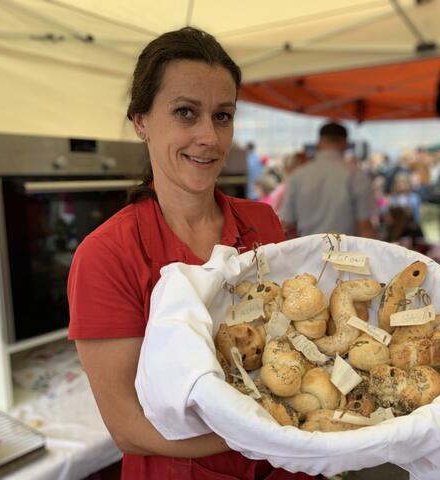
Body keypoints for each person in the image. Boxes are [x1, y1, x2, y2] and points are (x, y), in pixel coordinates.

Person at [67, 27, 314, 480]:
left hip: (290, 465)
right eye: (186, 112)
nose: (209, 137)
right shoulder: (106, 256)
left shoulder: (262, 222)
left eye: (222, 116)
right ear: (140, 120)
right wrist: (270, 429)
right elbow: (129, 427)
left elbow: (292, 342)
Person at [280, 122, 376, 238]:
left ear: (319, 143)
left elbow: (287, 222)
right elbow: (364, 226)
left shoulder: (298, 176)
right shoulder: (357, 175)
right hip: (344, 248)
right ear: (345, 144)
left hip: (307, 247)